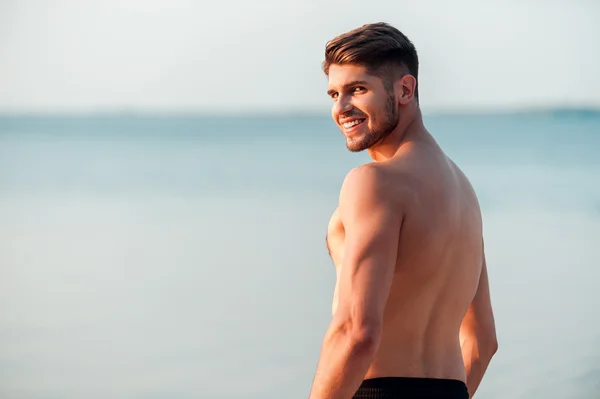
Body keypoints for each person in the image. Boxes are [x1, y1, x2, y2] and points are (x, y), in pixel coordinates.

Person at [308, 22, 498, 399]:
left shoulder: (375, 182)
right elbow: (482, 341)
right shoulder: (463, 192)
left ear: (405, 90)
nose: (341, 108)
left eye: (357, 90)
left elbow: (356, 332)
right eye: (334, 93)